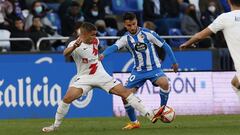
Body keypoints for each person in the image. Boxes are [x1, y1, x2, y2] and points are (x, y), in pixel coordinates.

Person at [42, 22, 164, 133]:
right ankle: (55, 126)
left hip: (101, 75)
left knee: (125, 92)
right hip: (84, 77)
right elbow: (65, 53)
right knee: (67, 98)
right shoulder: (74, 44)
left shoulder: (96, 41)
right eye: (92, 35)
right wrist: (74, 47)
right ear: (83, 34)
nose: (94, 37)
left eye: (95, 35)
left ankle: (149, 114)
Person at [99, 12, 178, 130]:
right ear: (125, 26)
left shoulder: (148, 34)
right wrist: (103, 55)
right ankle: (134, 122)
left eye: (134, 24)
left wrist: (174, 62)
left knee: (164, 82)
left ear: (137, 22)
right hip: (138, 71)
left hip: (154, 69)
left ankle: (162, 109)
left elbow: (165, 46)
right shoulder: (126, 38)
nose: (132, 27)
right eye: (129, 25)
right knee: (124, 95)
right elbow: (114, 47)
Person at [180, 0, 240, 98]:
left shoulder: (224, 18)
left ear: (229, 2)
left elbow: (199, 36)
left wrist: (187, 43)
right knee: (235, 83)